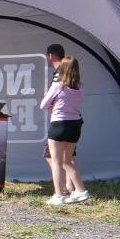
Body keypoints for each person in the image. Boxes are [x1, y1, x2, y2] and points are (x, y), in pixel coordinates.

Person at [41, 56, 87, 204]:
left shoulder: (58, 86)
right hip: (75, 125)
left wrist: (52, 107)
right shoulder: (80, 87)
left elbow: (43, 105)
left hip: (59, 124)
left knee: (56, 162)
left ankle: (59, 195)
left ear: (63, 69)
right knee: (68, 161)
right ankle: (81, 191)